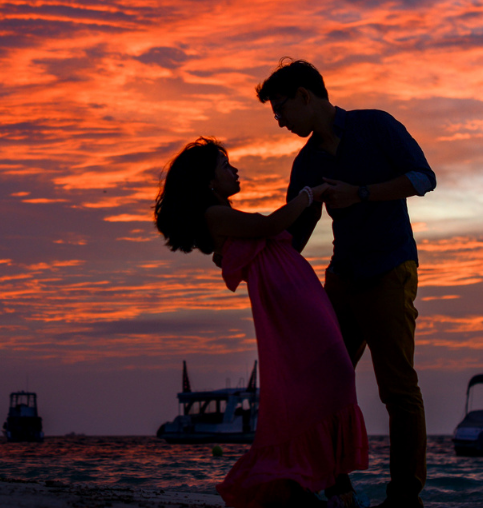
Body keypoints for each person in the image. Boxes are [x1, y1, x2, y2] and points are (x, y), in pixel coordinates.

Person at [256, 60, 435, 508]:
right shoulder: (307, 162)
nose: (279, 121)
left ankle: (405, 497)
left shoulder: (376, 127)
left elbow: (423, 178)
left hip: (391, 270)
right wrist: (256, 262)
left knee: (397, 387)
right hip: (341, 278)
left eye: (281, 109)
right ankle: (336, 488)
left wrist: (362, 192)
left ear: (304, 95)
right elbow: (295, 234)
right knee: (322, 381)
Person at [155, 138, 368, 508]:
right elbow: (273, 224)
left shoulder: (223, 215)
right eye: (224, 166)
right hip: (289, 303)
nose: (233, 171)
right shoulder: (214, 214)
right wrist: (309, 193)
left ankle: (327, 484)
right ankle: (326, 484)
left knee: (329, 379)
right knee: (334, 375)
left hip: (297, 294)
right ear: (208, 182)